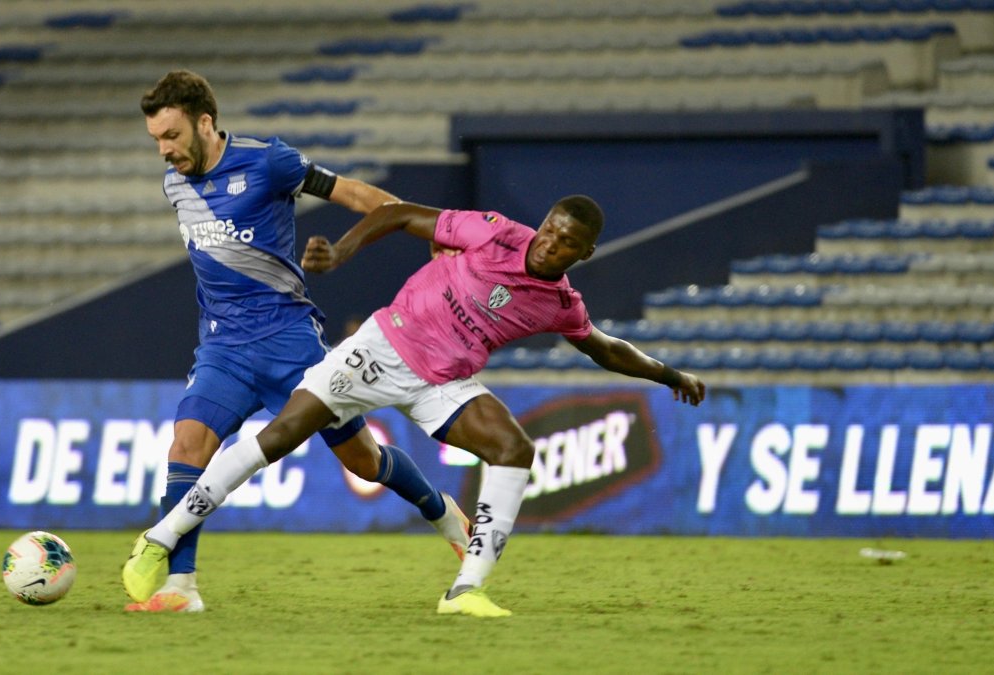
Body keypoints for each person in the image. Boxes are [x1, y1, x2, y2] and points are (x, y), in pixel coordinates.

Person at [123, 195, 707, 617]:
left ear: (584, 254)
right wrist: (345, 251)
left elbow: (604, 348)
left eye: (566, 243)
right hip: (382, 347)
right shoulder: (496, 232)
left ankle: (466, 591)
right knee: (280, 437)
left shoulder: (559, 303)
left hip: (441, 381)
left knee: (514, 448)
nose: (549, 243)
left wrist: (668, 373)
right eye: (550, 230)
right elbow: (399, 214)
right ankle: (161, 538)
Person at [121, 70, 471, 613]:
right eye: (156, 141)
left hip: (290, 343)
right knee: (187, 447)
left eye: (171, 136)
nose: (164, 151)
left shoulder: (269, 162)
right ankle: (181, 587)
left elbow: (354, 193)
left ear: (204, 122)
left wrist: (432, 230)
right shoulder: (175, 183)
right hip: (223, 348)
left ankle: (443, 513)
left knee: (362, 459)